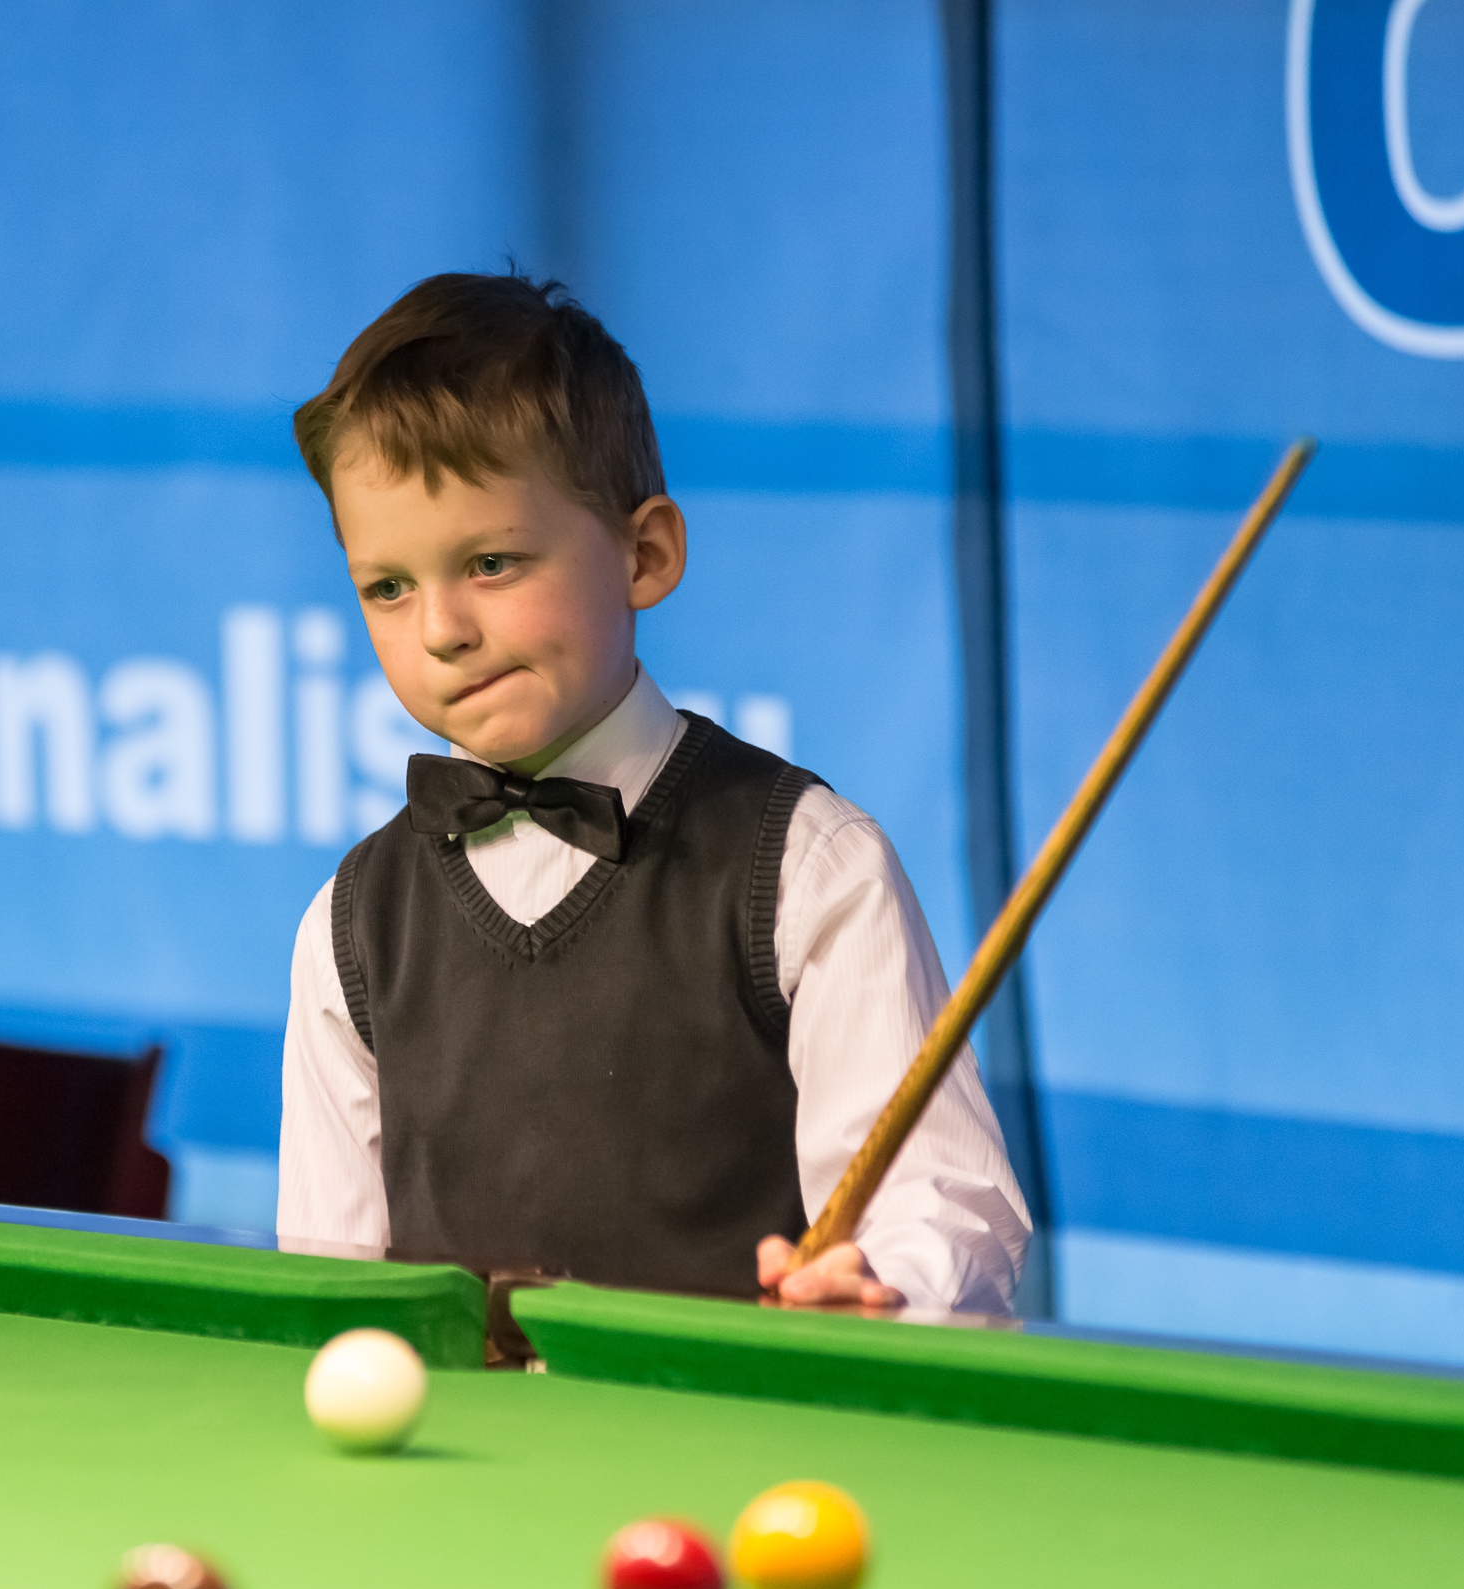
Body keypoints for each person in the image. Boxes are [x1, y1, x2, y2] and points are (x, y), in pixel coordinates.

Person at [275, 271, 1029, 1313]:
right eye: (389, 587)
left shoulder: (809, 867)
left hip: (732, 1424)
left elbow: (944, 1207)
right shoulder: (351, 925)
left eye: (491, 563)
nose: (441, 630)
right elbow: (332, 1289)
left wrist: (885, 1285)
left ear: (645, 554)